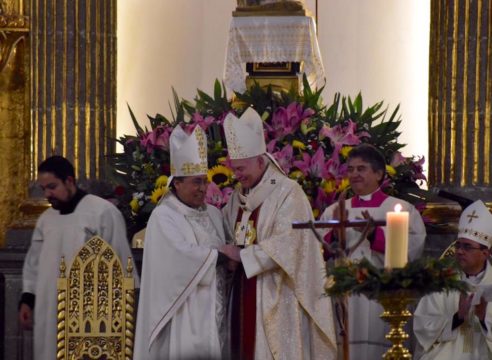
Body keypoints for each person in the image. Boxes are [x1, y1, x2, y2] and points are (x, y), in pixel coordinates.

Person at [222, 107, 337, 360]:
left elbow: (290, 243)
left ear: (261, 161)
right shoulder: (237, 197)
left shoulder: (287, 192)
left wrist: (243, 256)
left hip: (275, 293)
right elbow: (233, 235)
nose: (237, 175)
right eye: (234, 168)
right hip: (242, 289)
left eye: (242, 168)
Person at [18, 155, 137, 360]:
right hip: (48, 309)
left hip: (89, 314)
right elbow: (33, 265)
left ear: (69, 181)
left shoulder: (102, 212)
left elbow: (120, 263)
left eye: (52, 187)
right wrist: (27, 299)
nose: (47, 194)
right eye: (43, 188)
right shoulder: (46, 219)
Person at [134, 125, 237, 360]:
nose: (202, 189)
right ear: (177, 184)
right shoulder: (164, 216)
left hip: (215, 308)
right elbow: (180, 256)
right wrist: (223, 255)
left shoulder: (213, 213)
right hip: (185, 312)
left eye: (204, 181)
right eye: (195, 182)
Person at [320, 144, 426, 359]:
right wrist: (333, 236)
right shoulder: (334, 210)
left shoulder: (402, 209)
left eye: (361, 169)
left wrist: (372, 235)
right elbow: (317, 252)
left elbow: (410, 253)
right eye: (350, 169)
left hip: (382, 299)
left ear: (379, 174)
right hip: (344, 298)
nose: (354, 174)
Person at [414, 200, 492, 359]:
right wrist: (457, 318)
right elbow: (423, 327)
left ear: (485, 253)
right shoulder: (441, 282)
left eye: (468, 247)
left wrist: (485, 318)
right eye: (458, 245)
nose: (460, 251)